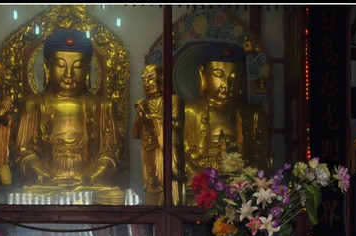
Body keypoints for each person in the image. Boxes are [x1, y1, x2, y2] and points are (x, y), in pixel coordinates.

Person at [14, 27, 123, 203]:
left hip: (89, 187)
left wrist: (90, 177)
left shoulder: (103, 106)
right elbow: (23, 154)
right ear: (47, 67)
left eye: (78, 66)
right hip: (46, 187)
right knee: (27, 195)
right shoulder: (33, 104)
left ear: (88, 70)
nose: (69, 74)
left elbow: (111, 155)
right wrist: (47, 176)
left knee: (115, 196)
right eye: (60, 65)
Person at [183, 43, 272, 181]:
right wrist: (201, 178)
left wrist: (247, 177)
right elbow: (179, 155)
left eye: (234, 77)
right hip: (200, 185)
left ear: (242, 80)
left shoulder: (253, 113)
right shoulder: (189, 111)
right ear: (203, 75)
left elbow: (264, 155)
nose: (226, 84)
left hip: (242, 187)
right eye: (218, 75)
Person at [133, 63, 184, 205]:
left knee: (168, 182)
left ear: (162, 78)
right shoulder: (144, 104)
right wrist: (141, 119)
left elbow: (176, 126)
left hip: (166, 151)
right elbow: (135, 134)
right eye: (143, 79)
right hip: (149, 152)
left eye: (150, 78)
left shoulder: (173, 101)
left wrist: (150, 119)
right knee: (153, 186)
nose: (146, 83)